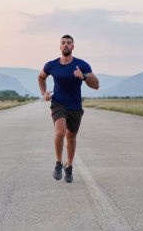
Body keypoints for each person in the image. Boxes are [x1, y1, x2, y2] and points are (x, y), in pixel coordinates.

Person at [38, 34, 99, 183]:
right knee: (60, 132)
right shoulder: (51, 65)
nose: (66, 45)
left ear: (73, 47)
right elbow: (41, 77)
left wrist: (83, 77)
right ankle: (58, 163)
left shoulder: (81, 65)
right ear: (60, 46)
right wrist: (44, 93)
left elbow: (96, 85)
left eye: (69, 43)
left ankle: (69, 166)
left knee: (71, 137)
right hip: (58, 103)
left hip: (75, 106)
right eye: (63, 43)